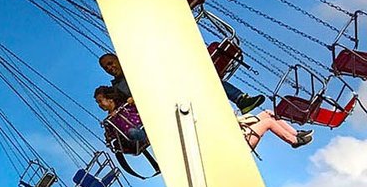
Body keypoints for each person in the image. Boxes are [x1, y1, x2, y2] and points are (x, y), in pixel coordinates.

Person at [99, 52, 263, 113]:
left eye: (111, 62)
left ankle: (240, 99)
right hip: (160, 103)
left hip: (169, 86)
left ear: (118, 59)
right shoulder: (117, 88)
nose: (110, 67)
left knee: (202, 76)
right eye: (106, 67)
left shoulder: (137, 64)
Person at [241, 110, 313, 150]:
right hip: (243, 139)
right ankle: (295, 141)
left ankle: (295, 133)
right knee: (268, 122)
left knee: (269, 113)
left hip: (240, 128)